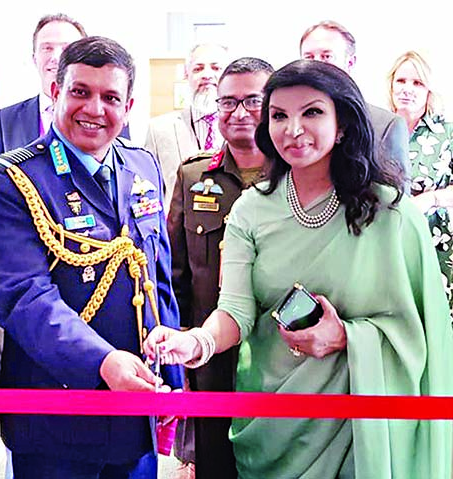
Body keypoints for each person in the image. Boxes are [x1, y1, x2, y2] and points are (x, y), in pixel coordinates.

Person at [145, 60, 453, 479]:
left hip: (362, 426)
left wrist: (345, 337)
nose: (292, 129)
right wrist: (195, 342)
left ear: (341, 123)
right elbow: (235, 312)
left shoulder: (391, 215)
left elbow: (423, 334)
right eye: (278, 115)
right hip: (272, 418)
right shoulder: (251, 210)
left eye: (311, 112)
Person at [0, 36, 183, 479]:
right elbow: (24, 297)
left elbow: (157, 280)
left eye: (110, 97)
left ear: (128, 107)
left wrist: (175, 380)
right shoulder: (12, 179)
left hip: (137, 409)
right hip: (57, 416)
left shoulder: (142, 165)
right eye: (80, 92)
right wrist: (102, 363)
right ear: (55, 93)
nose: (94, 109)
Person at [167, 57, 274, 479]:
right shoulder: (195, 176)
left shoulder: (298, 178)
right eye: (227, 102)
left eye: (253, 101)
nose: (239, 112)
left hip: (279, 353)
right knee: (215, 461)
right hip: (211, 355)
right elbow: (176, 273)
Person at [0, 14, 130, 161]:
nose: (57, 57)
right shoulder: (6, 120)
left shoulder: (110, 115)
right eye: (47, 48)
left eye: (67, 49)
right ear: (34, 58)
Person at [300, 20, 411, 187]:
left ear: (350, 63)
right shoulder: (287, 123)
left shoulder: (386, 126)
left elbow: (398, 203)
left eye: (326, 56)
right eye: (309, 57)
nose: (316, 64)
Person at [387, 50, 453, 311]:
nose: (407, 89)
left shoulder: (446, 132)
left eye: (417, 83)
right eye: (401, 81)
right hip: (386, 244)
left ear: (429, 91)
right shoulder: (376, 129)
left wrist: (432, 198)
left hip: (435, 244)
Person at [145, 43, 229, 210]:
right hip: (178, 230)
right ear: (186, 74)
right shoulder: (159, 129)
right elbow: (150, 190)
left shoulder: (242, 126)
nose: (207, 75)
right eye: (198, 69)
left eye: (215, 68)